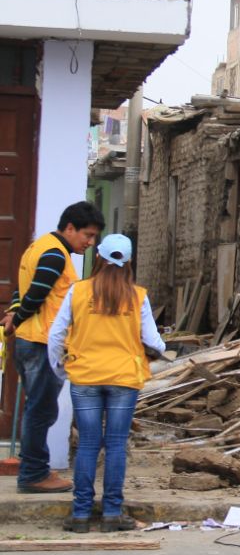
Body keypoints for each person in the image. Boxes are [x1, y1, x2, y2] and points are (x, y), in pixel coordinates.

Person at [47, 234, 164, 533]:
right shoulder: (137, 296)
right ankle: (112, 513)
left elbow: (56, 335)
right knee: (115, 445)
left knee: (87, 444)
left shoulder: (78, 291)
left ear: (98, 257)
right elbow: (154, 342)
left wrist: (60, 368)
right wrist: (153, 350)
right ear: (129, 261)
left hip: (85, 376)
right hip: (124, 378)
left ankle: (80, 514)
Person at [3, 201, 104, 493]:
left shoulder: (38, 248)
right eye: (87, 235)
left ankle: (34, 469)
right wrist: (18, 317)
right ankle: (34, 474)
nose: (90, 242)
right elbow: (36, 293)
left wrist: (15, 312)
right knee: (41, 411)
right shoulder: (55, 255)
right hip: (42, 344)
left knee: (36, 409)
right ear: (69, 228)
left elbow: (20, 290)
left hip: (31, 340)